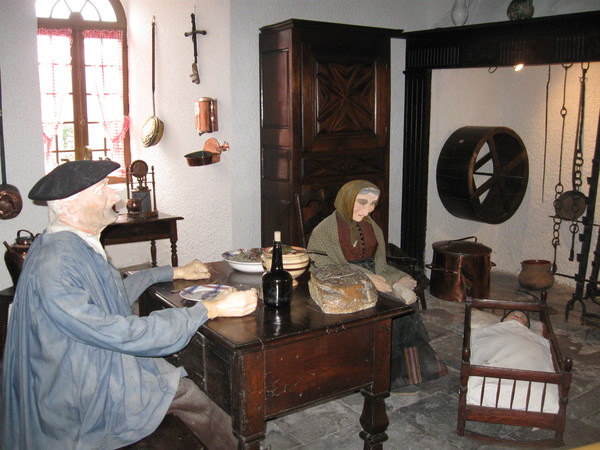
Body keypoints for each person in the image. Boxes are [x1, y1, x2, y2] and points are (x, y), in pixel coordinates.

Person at [1, 160, 257, 449]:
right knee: (187, 390)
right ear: (70, 208)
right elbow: (114, 331)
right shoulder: (57, 263)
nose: (115, 197)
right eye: (102, 192)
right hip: (75, 393)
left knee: (177, 372)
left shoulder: (67, 242)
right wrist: (209, 309)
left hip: (86, 361)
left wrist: (173, 271)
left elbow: (109, 294)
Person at [307, 180, 447, 391]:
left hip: (371, 275)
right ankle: (389, 375)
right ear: (346, 199)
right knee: (393, 308)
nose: (368, 209)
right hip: (344, 282)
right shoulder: (325, 230)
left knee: (407, 304)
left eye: (373, 203)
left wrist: (395, 278)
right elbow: (321, 264)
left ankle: (412, 369)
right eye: (362, 202)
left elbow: (380, 264)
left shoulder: (371, 226)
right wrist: (366, 277)